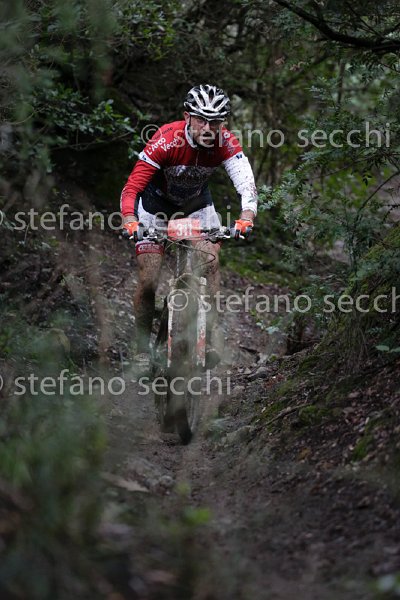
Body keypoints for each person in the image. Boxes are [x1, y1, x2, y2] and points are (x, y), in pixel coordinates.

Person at [120, 84, 258, 371]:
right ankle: (141, 349)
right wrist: (130, 220)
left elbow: (246, 184)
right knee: (149, 279)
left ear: (223, 123)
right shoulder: (166, 140)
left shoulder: (226, 143)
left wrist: (246, 217)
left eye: (215, 122)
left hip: (196, 205)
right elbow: (132, 187)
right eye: (201, 120)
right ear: (187, 117)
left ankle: (209, 335)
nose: (208, 128)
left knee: (210, 262)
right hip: (155, 207)